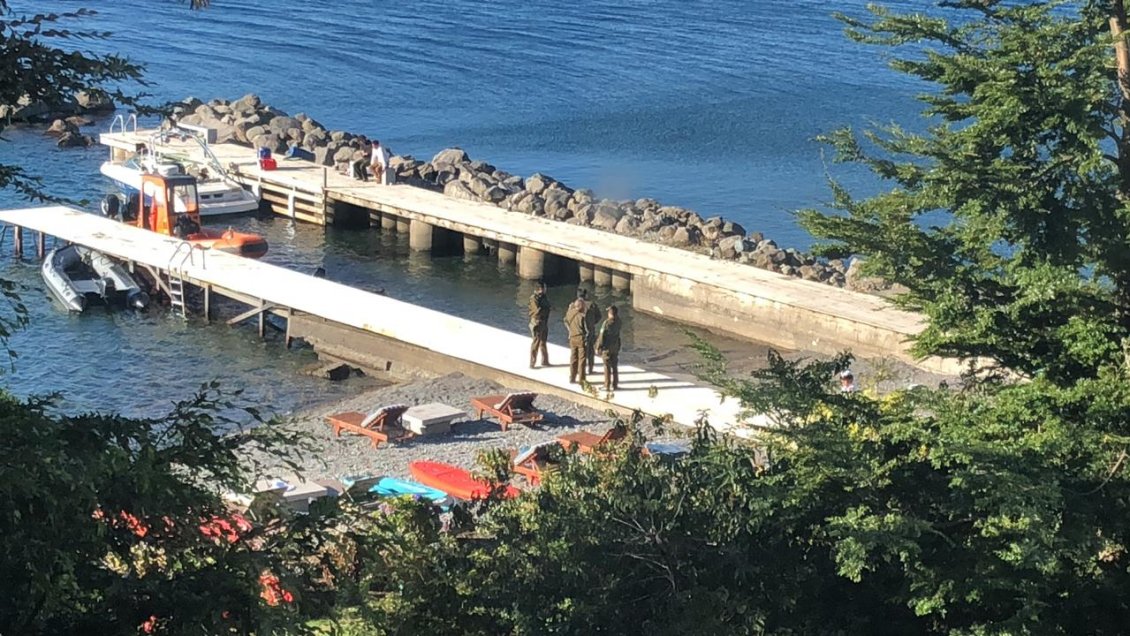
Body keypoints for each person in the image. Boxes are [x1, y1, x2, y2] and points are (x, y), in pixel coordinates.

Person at [595, 305, 621, 390]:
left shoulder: (606, 323)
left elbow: (602, 336)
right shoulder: (619, 321)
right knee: (615, 366)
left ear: (610, 314)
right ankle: (615, 384)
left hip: (607, 348)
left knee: (607, 366)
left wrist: (598, 347)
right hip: (615, 346)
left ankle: (607, 385)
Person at [564, 297, 589, 384]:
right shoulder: (583, 316)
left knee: (573, 358)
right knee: (582, 360)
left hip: (572, 337)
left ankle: (572, 377)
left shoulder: (570, 313)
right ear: (581, 306)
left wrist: (570, 331)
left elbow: (565, 321)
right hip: (581, 338)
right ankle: (581, 379)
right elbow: (587, 329)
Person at [528, 281, 551, 368]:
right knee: (536, 342)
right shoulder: (534, 298)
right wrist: (544, 309)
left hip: (544, 322)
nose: (546, 289)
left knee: (543, 342)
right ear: (540, 289)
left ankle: (545, 361)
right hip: (538, 322)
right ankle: (532, 363)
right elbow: (537, 311)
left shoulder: (544, 297)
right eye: (544, 288)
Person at [578, 288, 601, 375]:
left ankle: (579, 369)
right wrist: (592, 323)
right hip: (590, 331)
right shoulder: (592, 305)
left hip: (578, 332)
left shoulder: (574, 305)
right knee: (590, 351)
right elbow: (599, 316)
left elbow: (567, 319)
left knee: (579, 352)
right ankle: (590, 369)